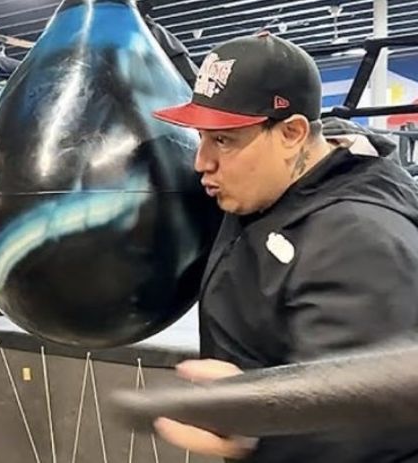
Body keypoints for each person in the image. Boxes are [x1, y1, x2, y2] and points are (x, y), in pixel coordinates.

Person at [151, 32, 418, 462]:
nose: (202, 162)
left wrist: (259, 435)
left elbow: (367, 429)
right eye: (202, 137)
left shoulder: (358, 244)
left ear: (292, 133)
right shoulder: (272, 181)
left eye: (223, 140)